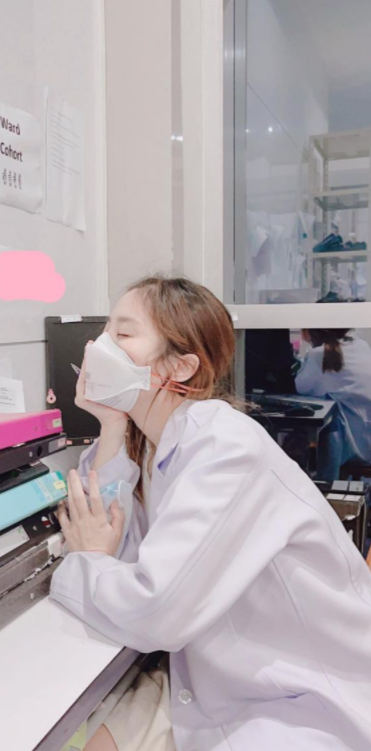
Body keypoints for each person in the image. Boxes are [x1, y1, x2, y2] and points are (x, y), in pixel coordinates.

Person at [49, 275, 371, 751]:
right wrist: (111, 424)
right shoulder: (151, 442)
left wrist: (87, 562)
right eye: (104, 331)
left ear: (180, 366)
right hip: (208, 678)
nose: (99, 347)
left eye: (123, 333)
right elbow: (108, 535)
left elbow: (152, 607)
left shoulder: (225, 445)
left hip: (298, 700)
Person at [296, 329, 371, 480]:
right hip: (366, 441)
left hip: (345, 445)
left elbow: (302, 388)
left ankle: (314, 484)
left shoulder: (319, 354)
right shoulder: (362, 346)